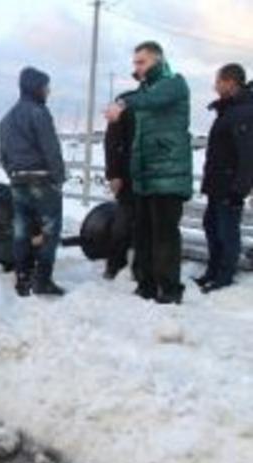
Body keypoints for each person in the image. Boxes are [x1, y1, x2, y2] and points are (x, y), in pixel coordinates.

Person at [106, 41, 193, 305]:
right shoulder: (145, 91)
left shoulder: (174, 84)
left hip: (168, 174)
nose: (137, 67)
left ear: (158, 60)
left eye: (141, 62)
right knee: (143, 234)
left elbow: (153, 100)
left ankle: (169, 289)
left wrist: (123, 103)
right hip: (144, 175)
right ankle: (146, 285)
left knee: (165, 235)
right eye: (135, 62)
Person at [0, 67, 66, 297]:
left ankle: (22, 278)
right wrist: (58, 178)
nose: (48, 91)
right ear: (35, 87)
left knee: (21, 231)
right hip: (42, 180)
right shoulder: (39, 112)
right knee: (49, 231)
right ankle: (42, 280)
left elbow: (3, 155)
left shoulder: (6, 119)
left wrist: (13, 174)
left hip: (18, 181)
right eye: (45, 86)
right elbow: (51, 148)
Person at [197, 64, 253, 293]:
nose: (215, 86)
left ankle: (224, 277)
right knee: (211, 227)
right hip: (217, 184)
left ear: (230, 82)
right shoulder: (229, 110)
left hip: (229, 186)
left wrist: (239, 190)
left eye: (218, 81)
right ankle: (212, 272)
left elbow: (248, 155)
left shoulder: (244, 112)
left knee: (227, 232)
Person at [102, 90, 138, 280]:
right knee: (123, 222)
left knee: (137, 222)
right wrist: (114, 174)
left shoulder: (154, 101)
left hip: (144, 175)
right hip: (128, 175)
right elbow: (112, 141)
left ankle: (135, 267)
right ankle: (115, 264)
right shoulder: (124, 102)